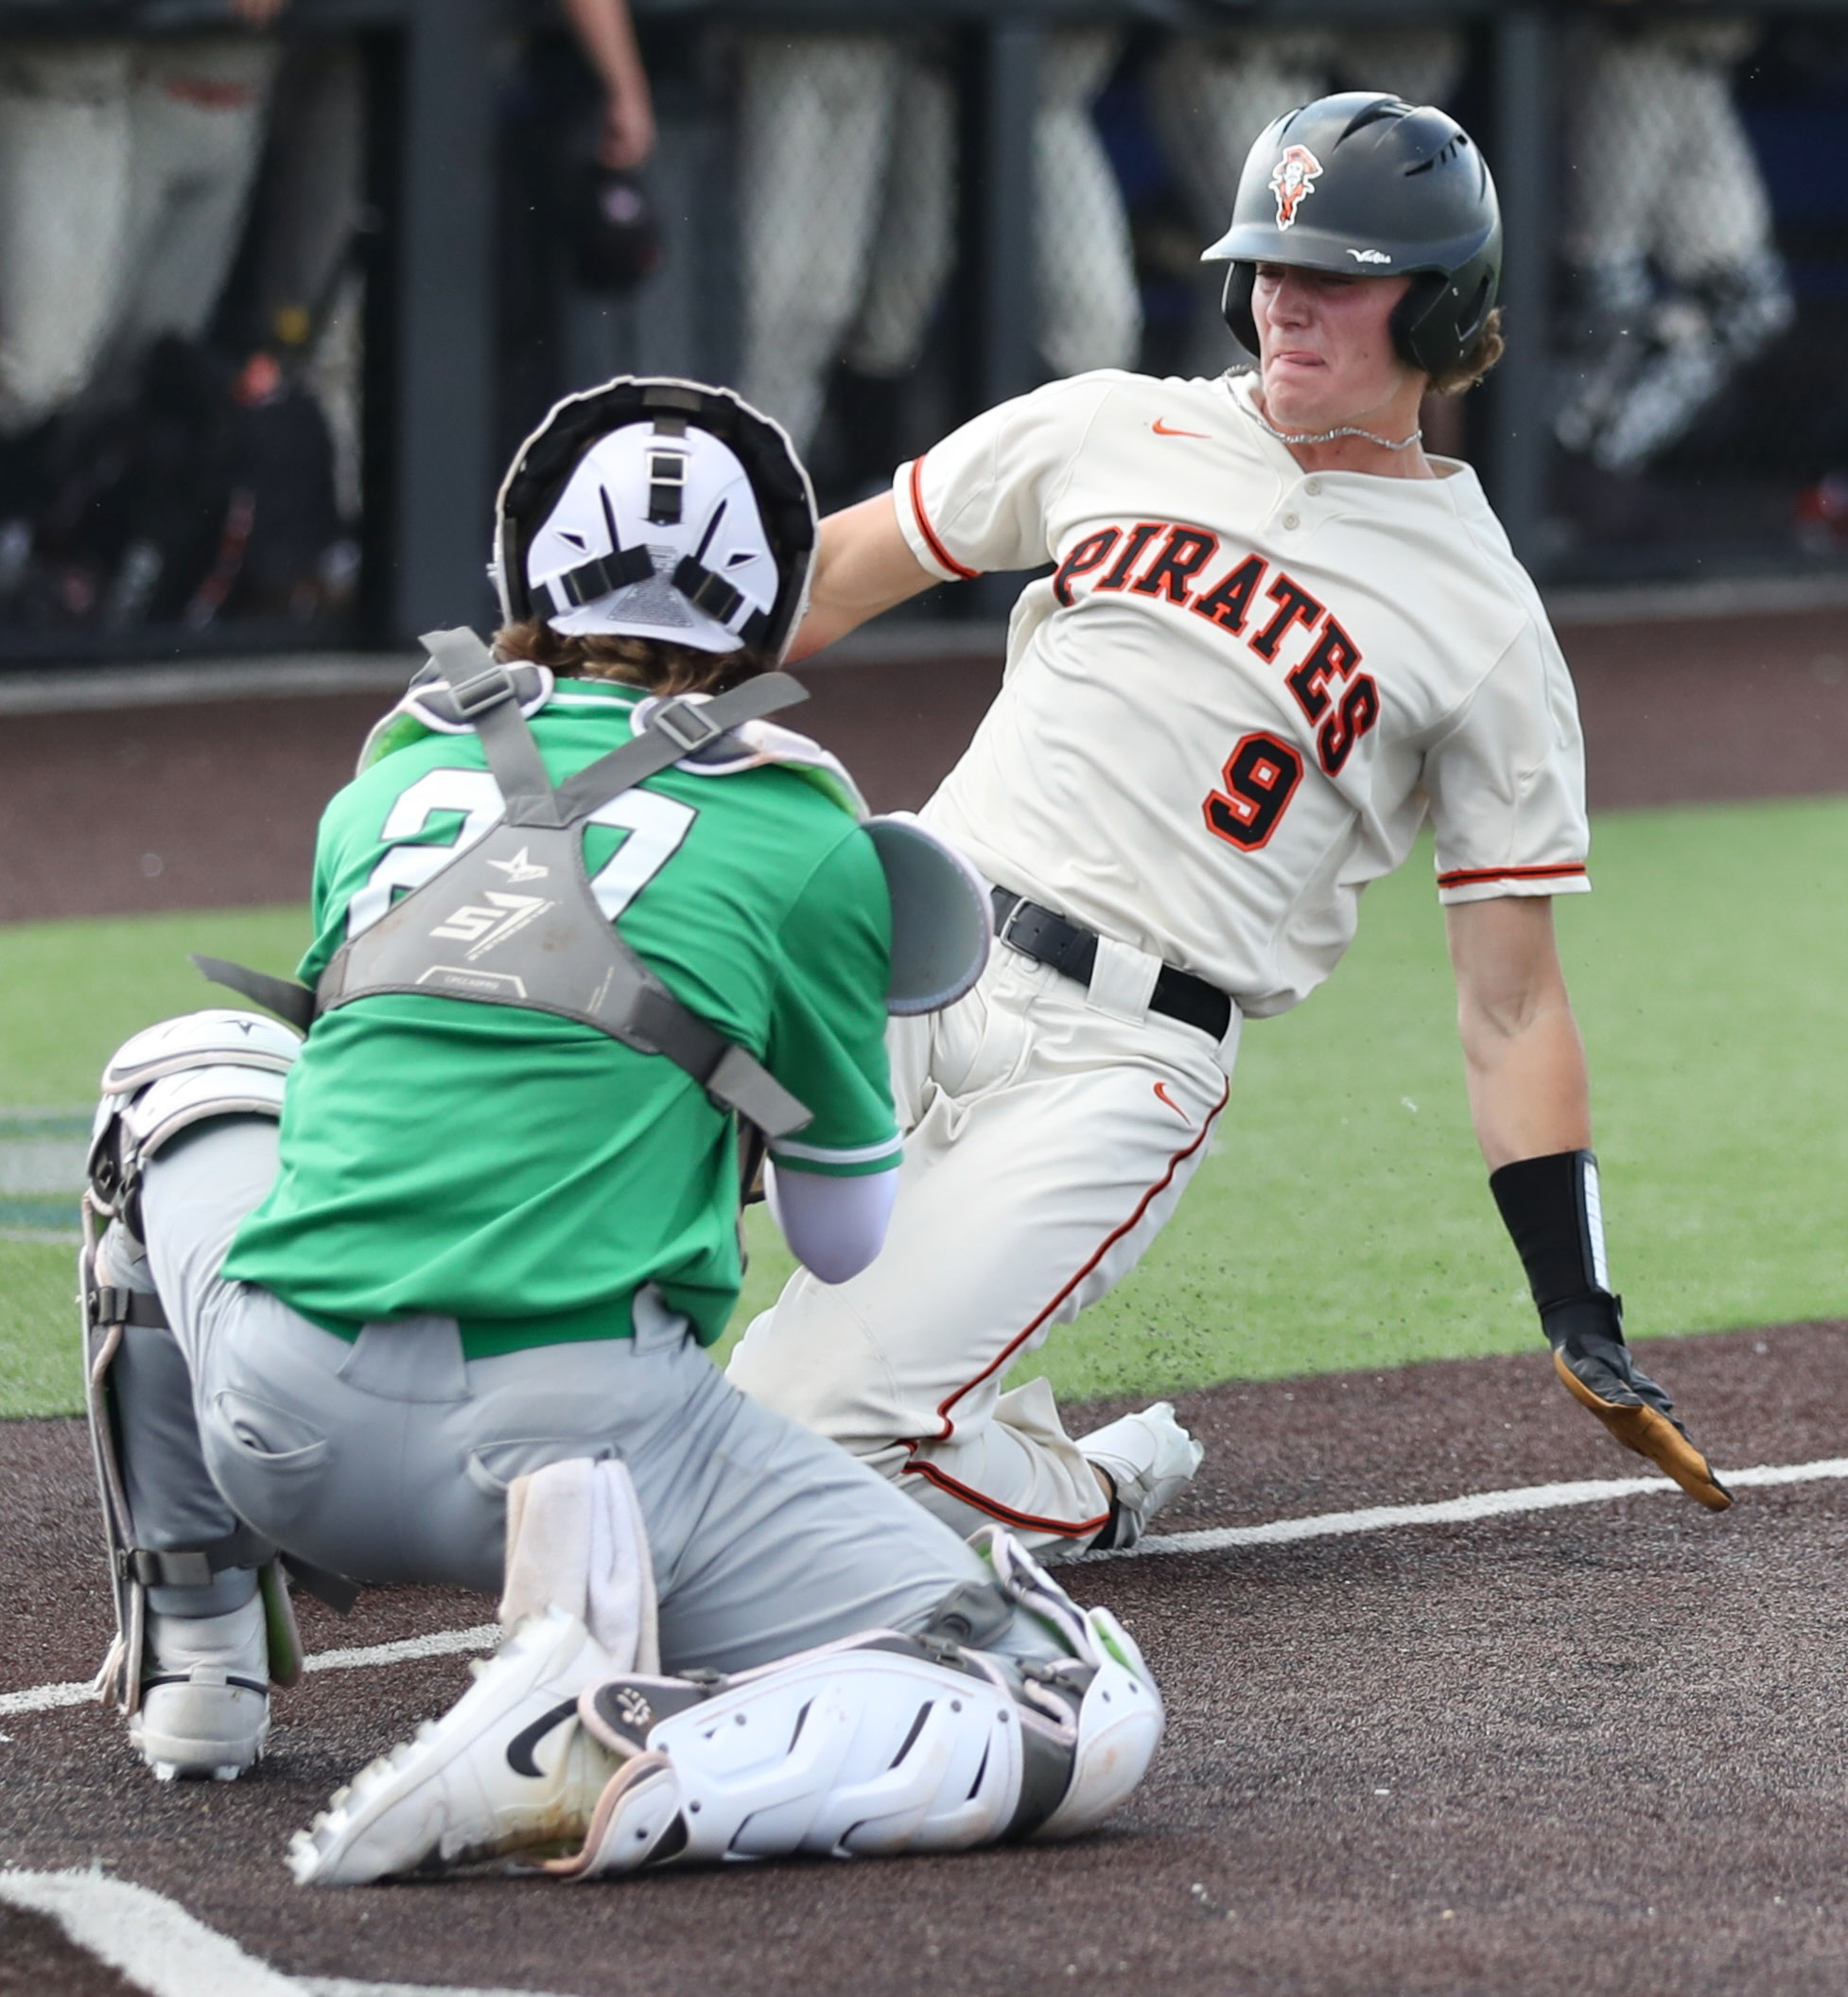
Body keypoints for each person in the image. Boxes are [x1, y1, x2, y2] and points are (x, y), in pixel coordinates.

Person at [76, 376, 1162, 1884]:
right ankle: (618, 1752)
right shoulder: (806, 835)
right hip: (589, 1462)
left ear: (526, 575)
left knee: (172, 1071)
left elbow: (358, 1097)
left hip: (282, 1426)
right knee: (1069, 1696)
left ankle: (199, 1655)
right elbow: (841, 1242)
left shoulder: (387, 783)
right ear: (766, 608)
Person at [725, 94, 1734, 1557]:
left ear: (1441, 309)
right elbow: (818, 583)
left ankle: (1089, 1491)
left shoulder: (1483, 620)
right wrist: (586, 699)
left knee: (795, 1429)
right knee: (607, 1143)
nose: (1284, 300)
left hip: (1117, 1062)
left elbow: (1510, 1007)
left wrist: (1578, 1306)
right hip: (901, 941)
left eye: (1335, 274)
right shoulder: (1106, 425)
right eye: (1266, 263)